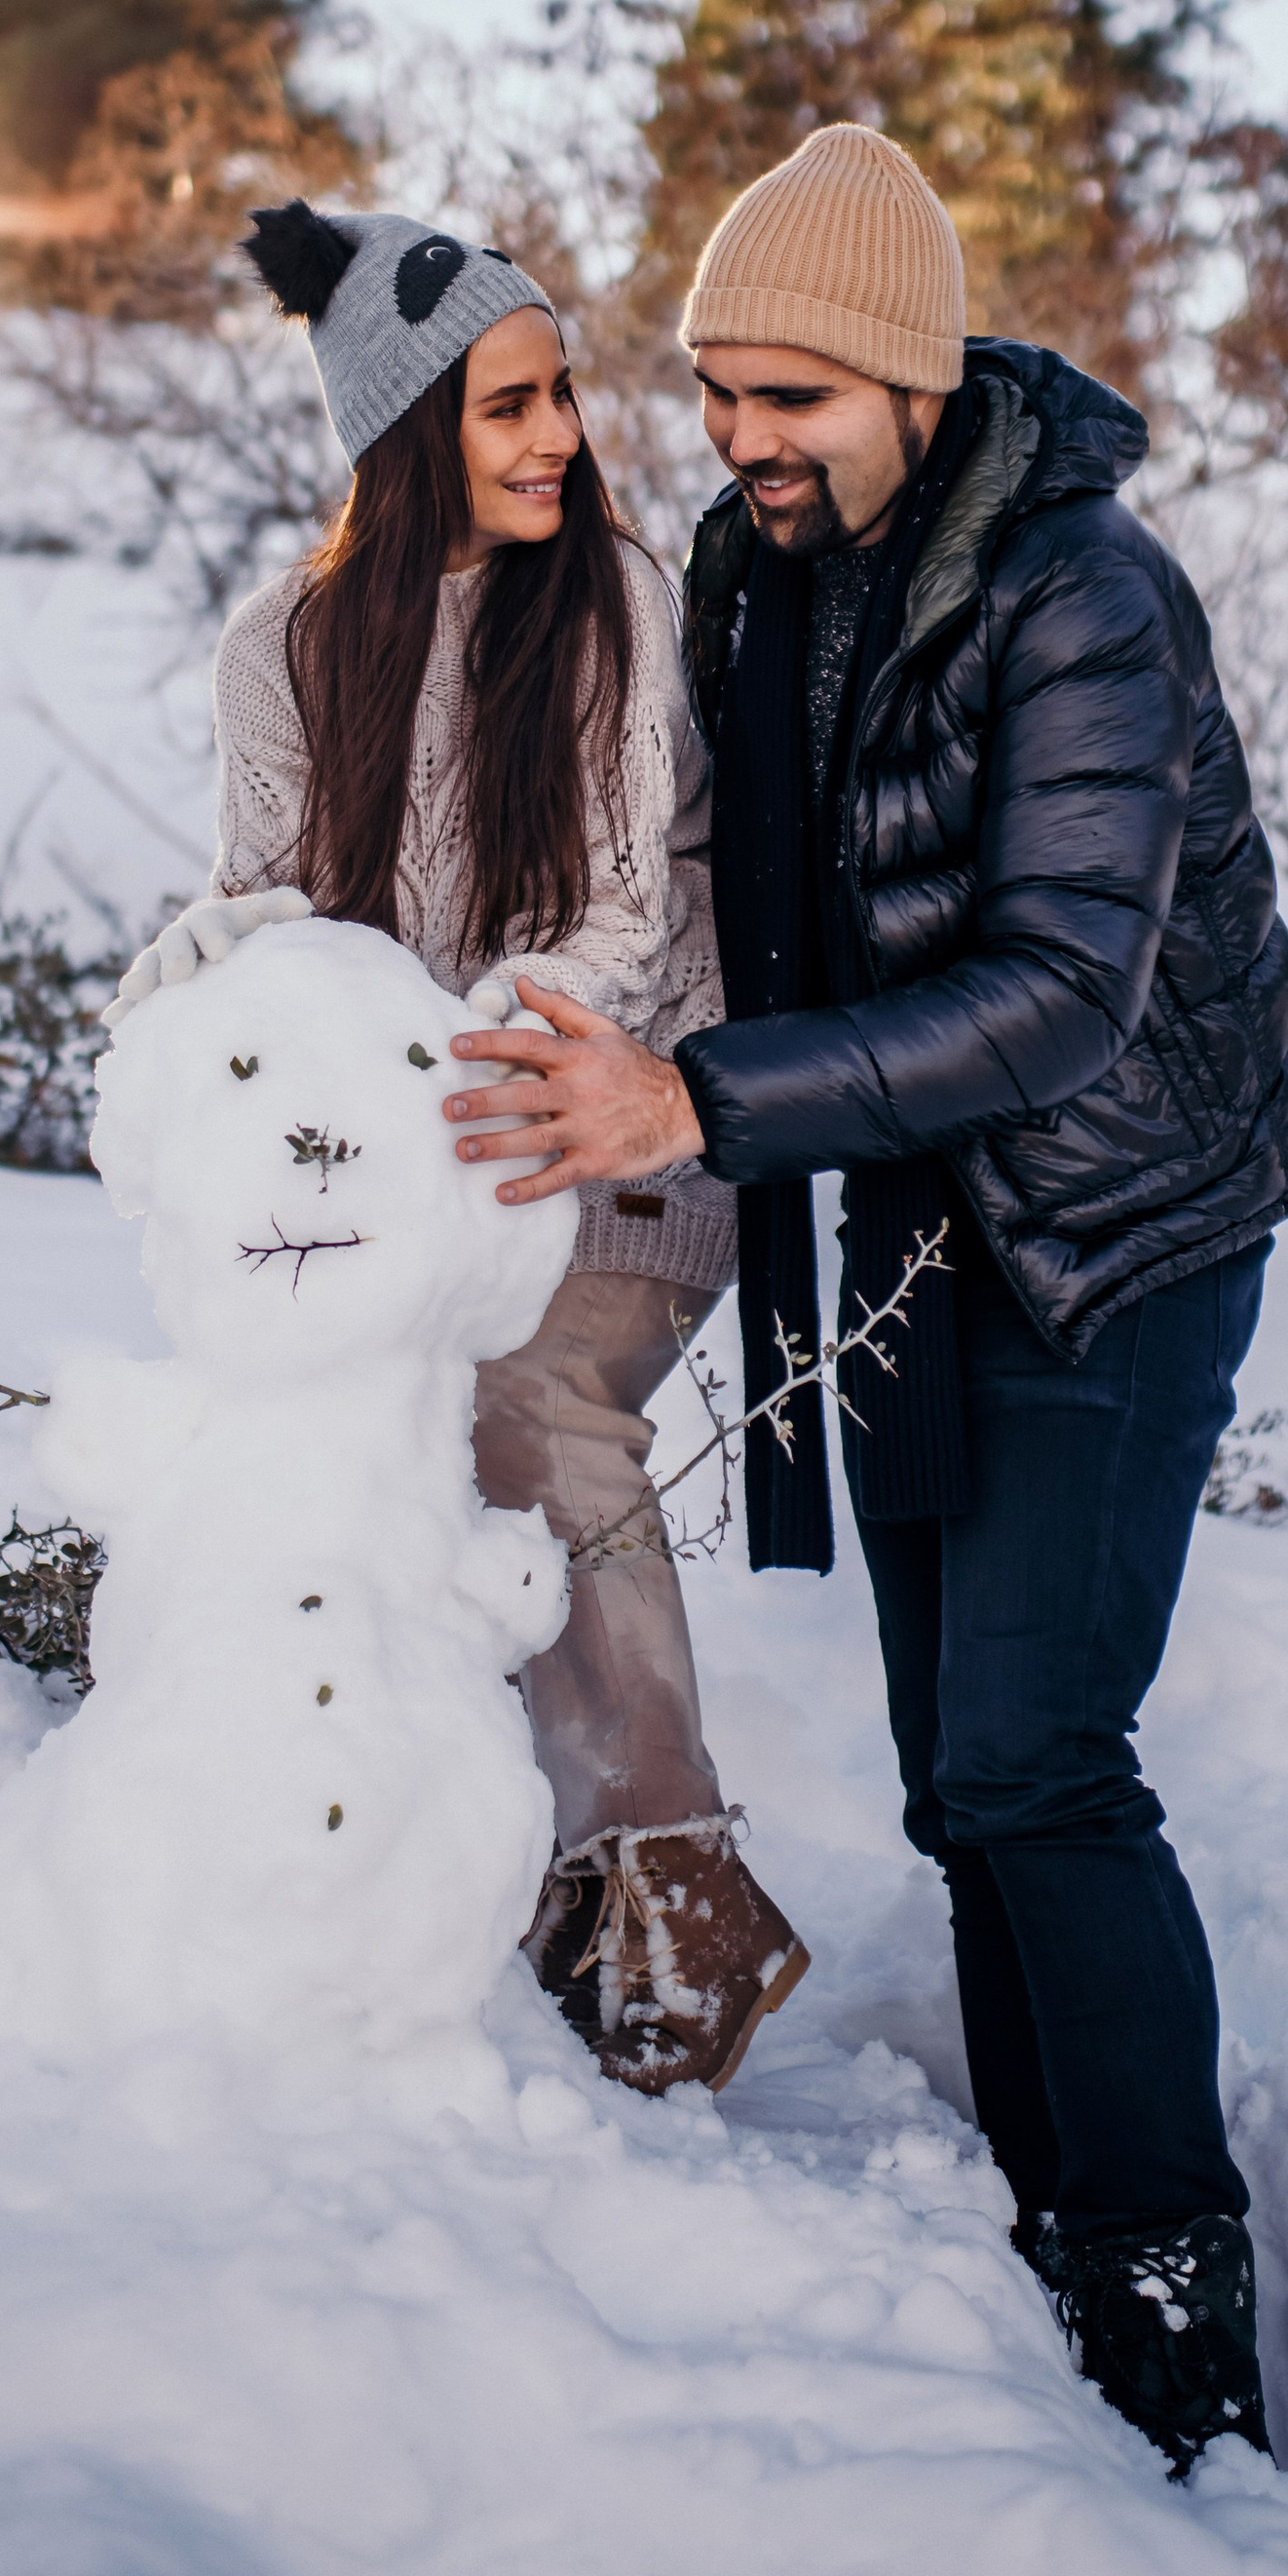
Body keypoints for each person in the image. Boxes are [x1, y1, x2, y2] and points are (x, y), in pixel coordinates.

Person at [437, 126, 1288, 2476]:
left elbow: (1055, 990)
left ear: (913, 383)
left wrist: (690, 1105)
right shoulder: (755, 561)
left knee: (1041, 1758)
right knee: (960, 1775)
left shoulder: (1079, 594)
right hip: (918, 1200)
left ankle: (1163, 2292)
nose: (738, 437)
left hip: (1121, 1214)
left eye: (791, 395)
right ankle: (1053, 2216)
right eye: (716, 389)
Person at [106, 198, 810, 2099]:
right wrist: (210, 992)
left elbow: (600, 929)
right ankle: (369, 1849)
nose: (555, 437)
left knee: (524, 1392)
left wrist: (417, 1096)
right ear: (403, 432)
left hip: (620, 1130)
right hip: (424, 1164)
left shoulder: (615, 599)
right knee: (334, 1412)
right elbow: (270, 905)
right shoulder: (284, 647)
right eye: (506, 404)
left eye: (559, 392)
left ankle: (667, 1891)